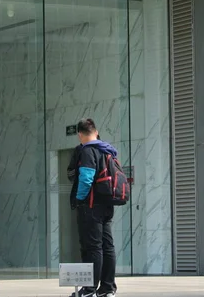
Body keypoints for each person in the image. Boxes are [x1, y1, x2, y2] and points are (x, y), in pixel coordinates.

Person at [69, 118, 117, 297]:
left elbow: (86, 178)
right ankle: (107, 288)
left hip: (91, 205)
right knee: (107, 246)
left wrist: (80, 199)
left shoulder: (88, 150)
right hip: (107, 204)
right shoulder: (107, 150)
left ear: (80, 134)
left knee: (93, 247)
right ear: (96, 132)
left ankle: (89, 290)